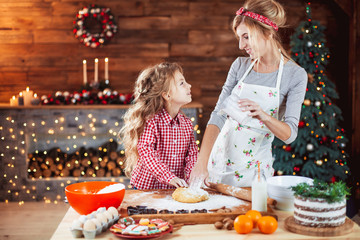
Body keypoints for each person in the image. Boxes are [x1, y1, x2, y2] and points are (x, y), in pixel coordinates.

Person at [189, 0, 307, 187]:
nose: (241, 45)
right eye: (239, 38)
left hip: (255, 174)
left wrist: (263, 116)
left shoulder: (295, 75)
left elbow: (290, 134)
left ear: (267, 32)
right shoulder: (239, 66)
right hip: (218, 164)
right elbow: (218, 115)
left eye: (246, 37)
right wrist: (201, 163)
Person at [119, 62, 198, 189]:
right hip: (146, 189)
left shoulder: (187, 124)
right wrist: (169, 177)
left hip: (172, 190)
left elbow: (192, 155)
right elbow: (146, 151)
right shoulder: (152, 121)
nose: (189, 85)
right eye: (182, 83)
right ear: (167, 95)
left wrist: (191, 179)